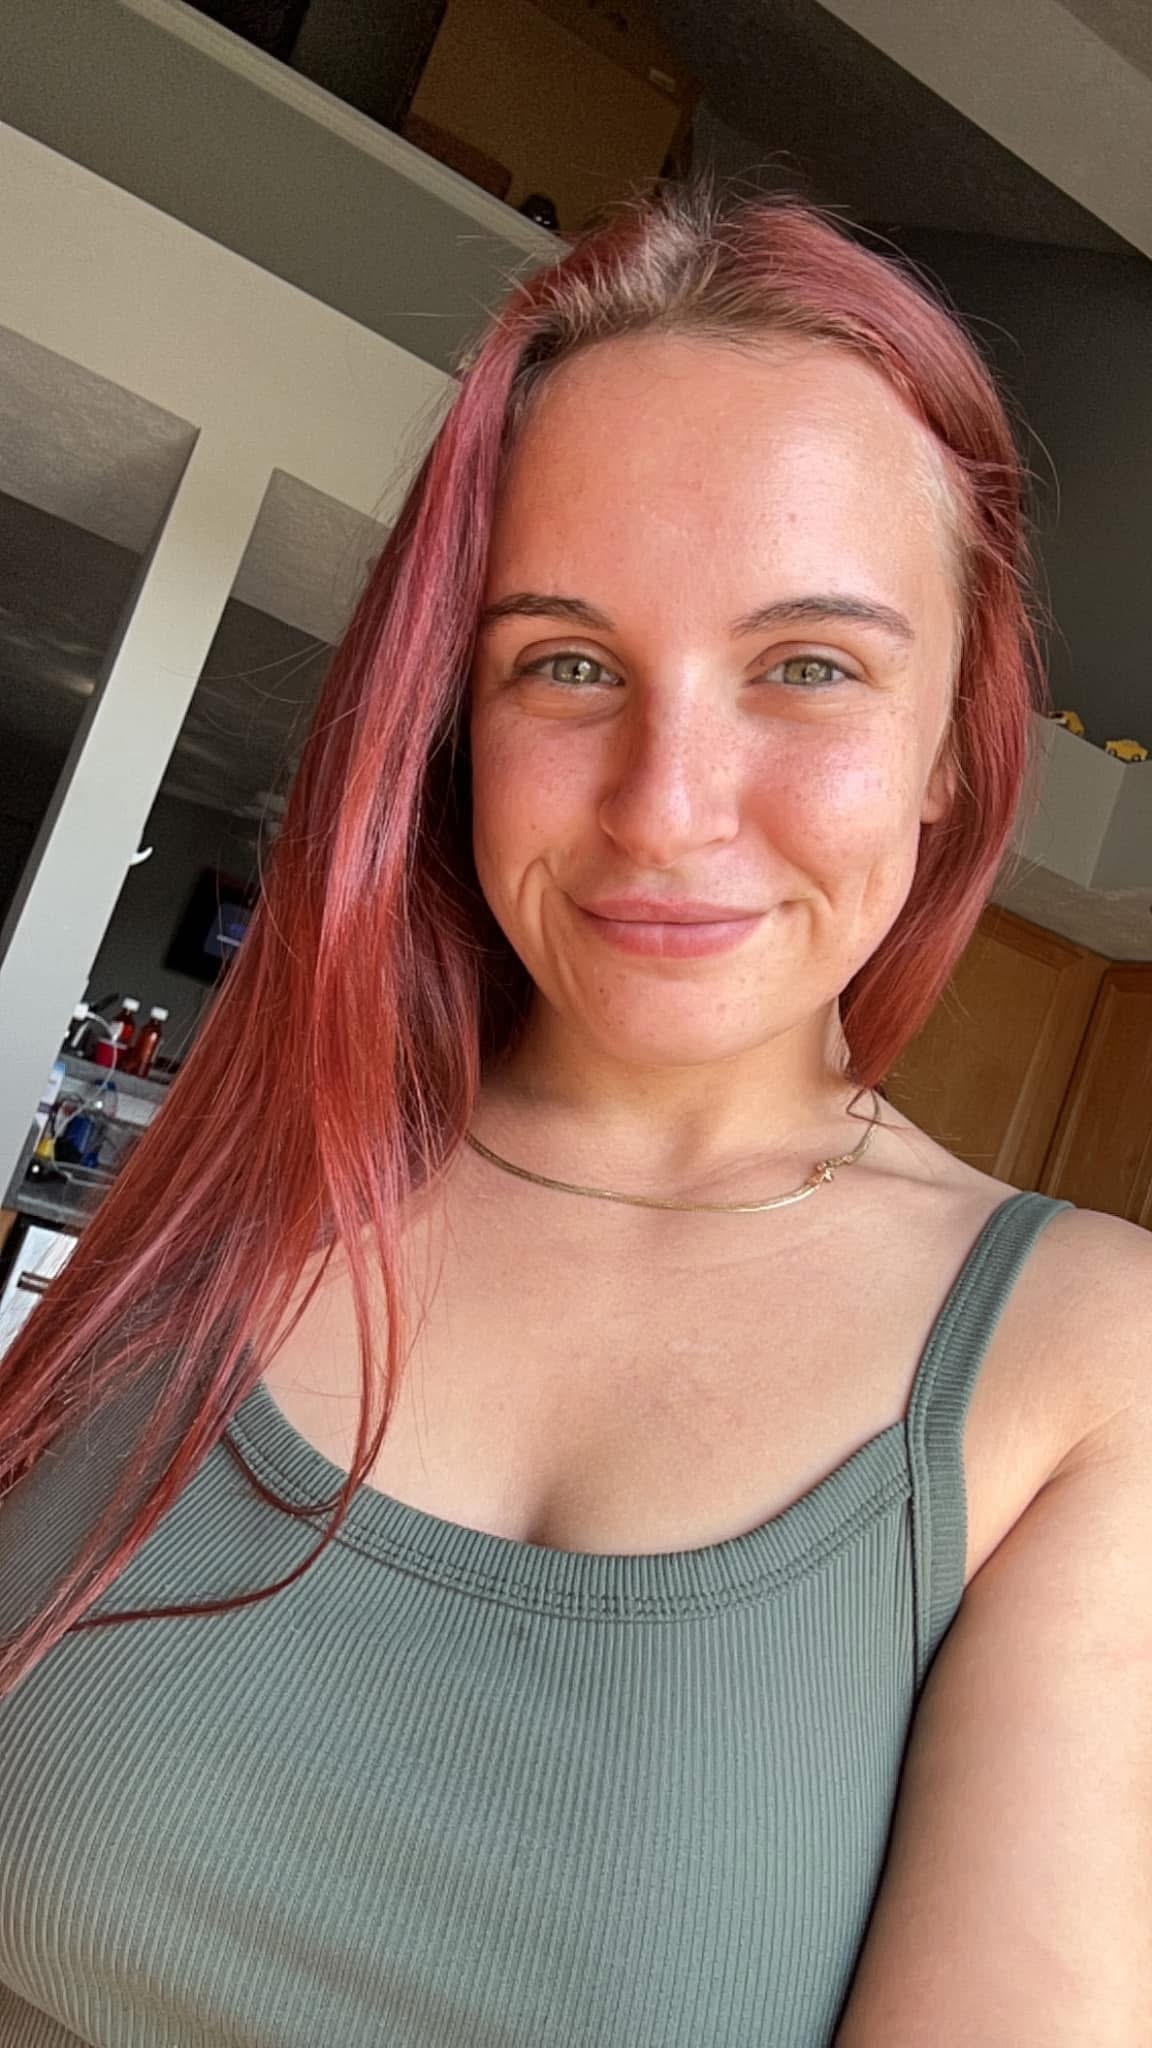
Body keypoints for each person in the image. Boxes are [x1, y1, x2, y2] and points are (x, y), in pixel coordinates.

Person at [0, 173, 1148, 2048]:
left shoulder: (1082, 1363)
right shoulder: (256, 1176)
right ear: (457, 718)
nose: (666, 805)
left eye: (808, 667)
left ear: (954, 743)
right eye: (568, 664)